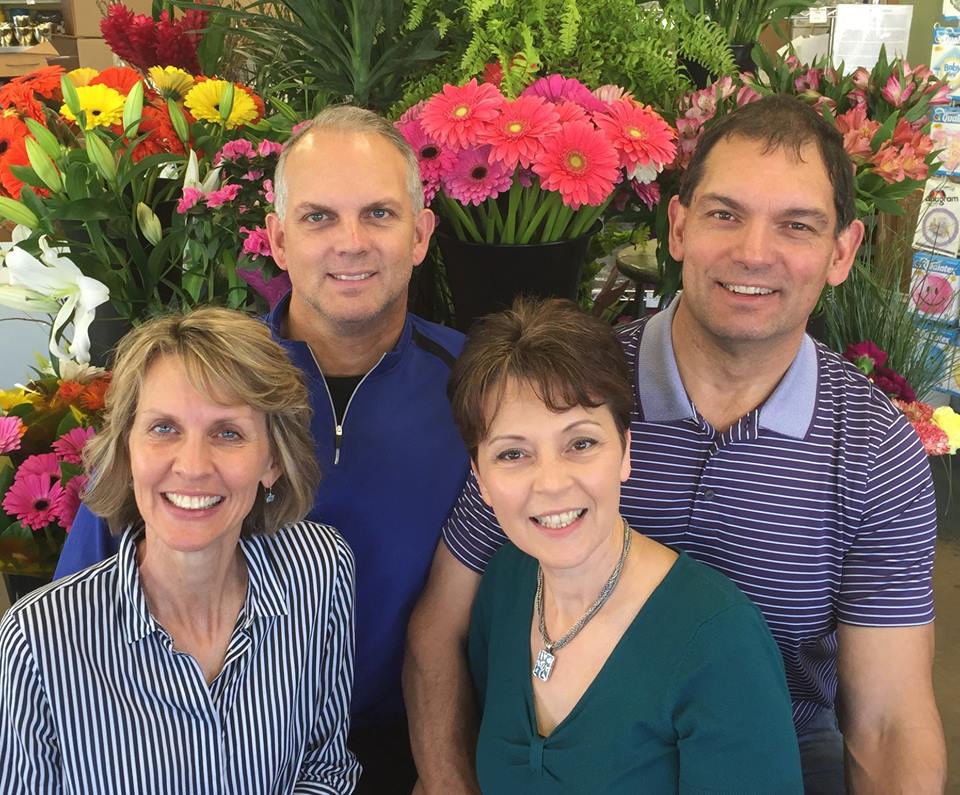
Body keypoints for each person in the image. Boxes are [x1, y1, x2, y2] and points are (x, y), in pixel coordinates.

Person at [406, 95, 947, 794]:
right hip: (574, 728)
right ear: (680, 226)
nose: (754, 251)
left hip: (777, 745)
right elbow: (438, 630)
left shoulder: (874, 452)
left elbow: (889, 720)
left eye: (796, 225)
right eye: (725, 214)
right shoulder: (574, 395)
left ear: (841, 251)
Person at [53, 106, 470, 793]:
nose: (350, 242)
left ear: (421, 234)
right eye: (318, 217)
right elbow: (81, 595)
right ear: (276, 238)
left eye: (379, 214)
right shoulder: (199, 384)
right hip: (208, 742)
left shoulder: (476, 387)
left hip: (411, 741)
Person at [0, 307, 359, 793]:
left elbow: (325, 767)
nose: (192, 466)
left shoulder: (320, 571)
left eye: (228, 433)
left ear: (273, 461)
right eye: (164, 428)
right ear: (127, 449)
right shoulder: (37, 642)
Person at [452, 298, 803, 792]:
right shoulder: (505, 586)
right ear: (481, 480)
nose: (551, 483)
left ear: (624, 452)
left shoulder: (720, 642)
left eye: (581, 443)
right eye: (513, 453)